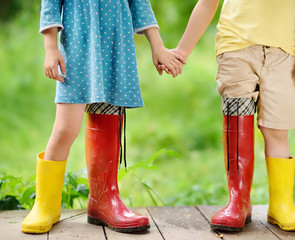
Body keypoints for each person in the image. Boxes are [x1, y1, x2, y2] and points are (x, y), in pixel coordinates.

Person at [21, 0, 183, 234]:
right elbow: (51, 4)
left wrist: (157, 45)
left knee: (109, 116)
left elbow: (139, 3)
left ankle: (104, 200)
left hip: (117, 40)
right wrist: (50, 47)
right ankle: (45, 205)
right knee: (66, 127)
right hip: (77, 42)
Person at [170, 0, 295, 232]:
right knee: (237, 121)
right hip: (235, 48)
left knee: (277, 129)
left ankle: (281, 204)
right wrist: (182, 51)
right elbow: (207, 4)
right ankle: (238, 201)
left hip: (282, 54)